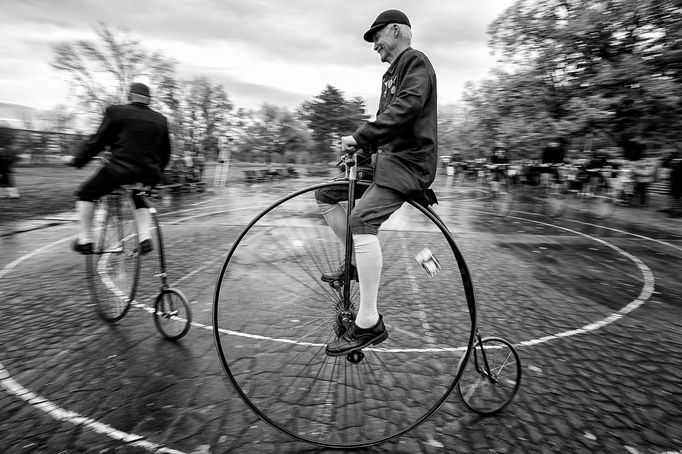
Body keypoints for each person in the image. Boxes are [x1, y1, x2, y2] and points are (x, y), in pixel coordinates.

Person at [323, 9, 438, 357]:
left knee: (362, 219)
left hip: (408, 164)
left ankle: (369, 321)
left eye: (378, 38)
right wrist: (361, 151)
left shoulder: (414, 61)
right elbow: (388, 123)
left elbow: (408, 108)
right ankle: (356, 262)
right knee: (326, 194)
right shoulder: (391, 74)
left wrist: (360, 136)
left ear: (397, 30)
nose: (375, 46)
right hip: (388, 160)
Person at [69, 82, 171, 254]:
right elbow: (166, 153)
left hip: (119, 170)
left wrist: (79, 160)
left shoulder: (115, 112)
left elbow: (97, 141)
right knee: (139, 195)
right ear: (149, 99)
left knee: (86, 193)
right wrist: (157, 171)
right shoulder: (160, 120)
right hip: (148, 173)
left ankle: (85, 240)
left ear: (130, 96)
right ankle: (145, 238)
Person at [0, 128, 20, 198]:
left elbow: (11, 160)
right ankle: (11, 195)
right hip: (6, 170)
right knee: (6, 182)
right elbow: (13, 160)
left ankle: (12, 195)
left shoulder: (6, 152)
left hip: (5, 170)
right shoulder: (8, 152)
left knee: (6, 182)